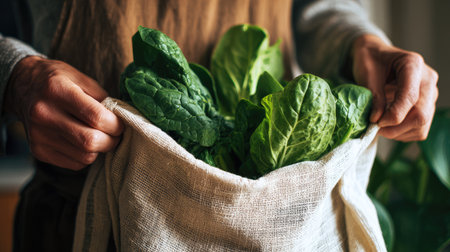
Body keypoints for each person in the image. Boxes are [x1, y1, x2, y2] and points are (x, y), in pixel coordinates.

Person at [0, 0, 438, 251]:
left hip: (272, 225)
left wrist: (359, 42)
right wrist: (15, 75)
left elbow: (317, 6)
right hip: (85, 215)